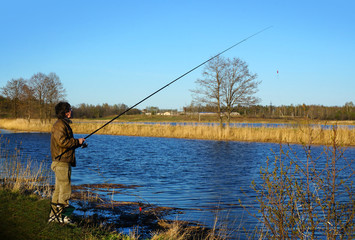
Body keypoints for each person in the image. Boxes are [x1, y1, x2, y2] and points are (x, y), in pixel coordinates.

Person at [48, 102, 85, 223]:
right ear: (66, 112)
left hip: (62, 161)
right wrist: (76, 142)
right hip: (61, 163)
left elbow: (65, 143)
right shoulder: (60, 125)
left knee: (59, 189)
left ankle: (54, 216)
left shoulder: (63, 124)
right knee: (65, 190)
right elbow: (62, 142)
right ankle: (63, 217)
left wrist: (79, 144)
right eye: (70, 109)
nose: (72, 111)